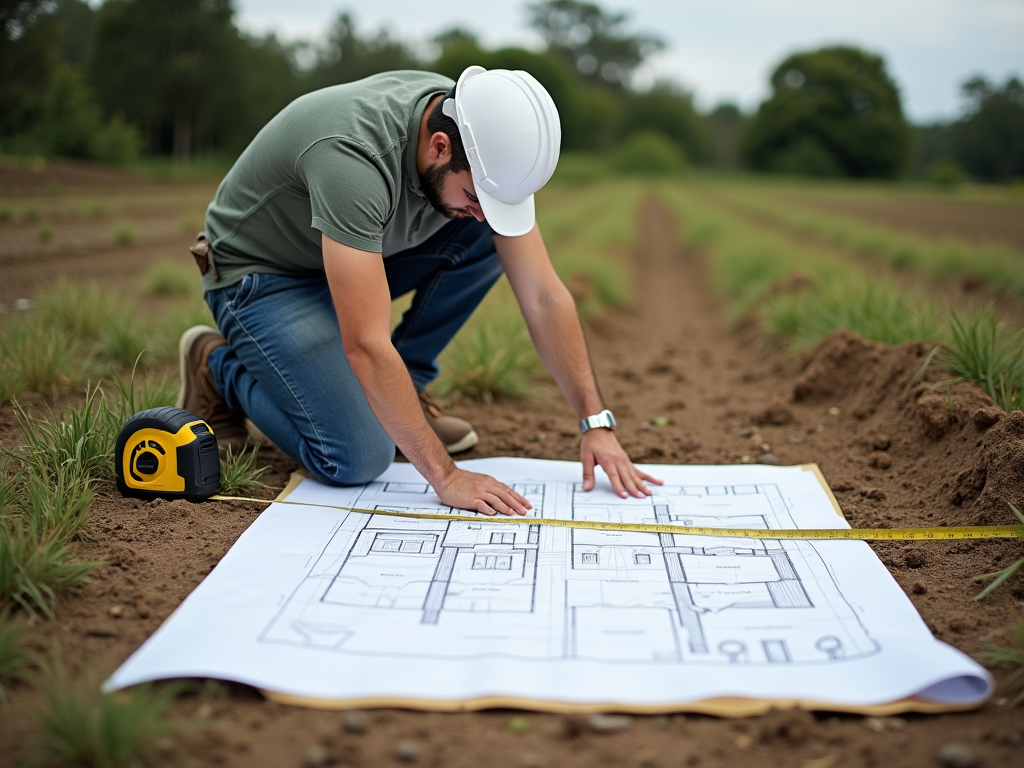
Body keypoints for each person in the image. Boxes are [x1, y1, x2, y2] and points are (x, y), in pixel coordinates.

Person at [177, 65, 661, 517]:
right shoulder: (353, 156)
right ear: (438, 147)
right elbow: (365, 343)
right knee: (356, 458)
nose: (481, 210)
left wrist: (595, 422)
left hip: (355, 252)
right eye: (474, 197)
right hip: (261, 276)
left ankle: (404, 393)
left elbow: (543, 295)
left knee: (485, 236)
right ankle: (218, 368)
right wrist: (445, 477)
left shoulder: (481, 133)